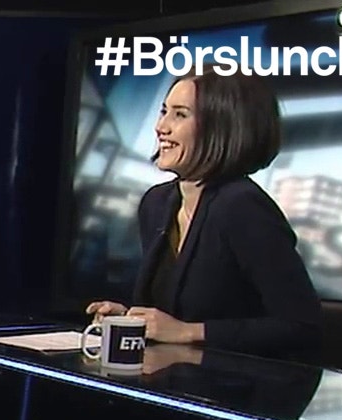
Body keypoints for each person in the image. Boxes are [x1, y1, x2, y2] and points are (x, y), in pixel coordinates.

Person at [86, 67, 321, 362]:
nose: (161, 127)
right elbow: (172, 315)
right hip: (173, 378)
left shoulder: (242, 206)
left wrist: (189, 332)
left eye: (180, 115)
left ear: (220, 127)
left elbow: (302, 326)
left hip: (237, 383)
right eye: (164, 112)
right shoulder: (157, 203)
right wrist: (130, 319)